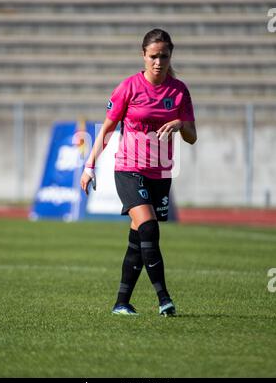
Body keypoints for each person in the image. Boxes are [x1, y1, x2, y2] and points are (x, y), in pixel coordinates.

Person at [80, 28, 197, 317]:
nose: (159, 62)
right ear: (143, 56)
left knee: (138, 240)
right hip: (129, 169)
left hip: (160, 173)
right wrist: (89, 166)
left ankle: (121, 303)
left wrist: (180, 125)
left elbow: (192, 136)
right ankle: (164, 299)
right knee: (148, 227)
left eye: (164, 56)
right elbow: (106, 130)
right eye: (154, 56)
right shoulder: (128, 88)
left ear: (171, 56)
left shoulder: (179, 91)